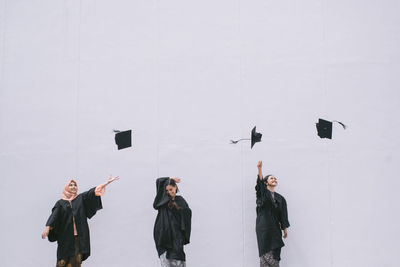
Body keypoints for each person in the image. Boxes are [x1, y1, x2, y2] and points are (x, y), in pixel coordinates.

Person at [42, 175, 119, 267]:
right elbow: (54, 217)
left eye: (75, 185)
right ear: (66, 187)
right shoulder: (60, 203)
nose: (73, 187)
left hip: (78, 238)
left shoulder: (80, 199)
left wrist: (107, 183)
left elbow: (93, 191)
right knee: (62, 262)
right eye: (71, 185)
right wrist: (47, 228)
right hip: (65, 238)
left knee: (76, 261)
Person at [255, 161, 290, 267]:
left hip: (275, 230)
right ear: (266, 182)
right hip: (263, 228)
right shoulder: (263, 194)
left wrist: (284, 229)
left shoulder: (281, 198)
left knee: (275, 256)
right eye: (271, 178)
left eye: (275, 178)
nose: (274, 179)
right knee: (264, 257)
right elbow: (260, 184)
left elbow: (283, 215)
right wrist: (260, 169)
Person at [153, 177, 192, 267]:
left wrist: (180, 209)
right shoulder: (163, 202)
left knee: (178, 259)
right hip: (163, 235)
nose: (169, 192)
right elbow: (158, 181)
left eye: (171, 189)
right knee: (166, 262)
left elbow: (187, 215)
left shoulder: (180, 200)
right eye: (167, 191)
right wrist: (169, 178)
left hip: (176, 236)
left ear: (176, 187)